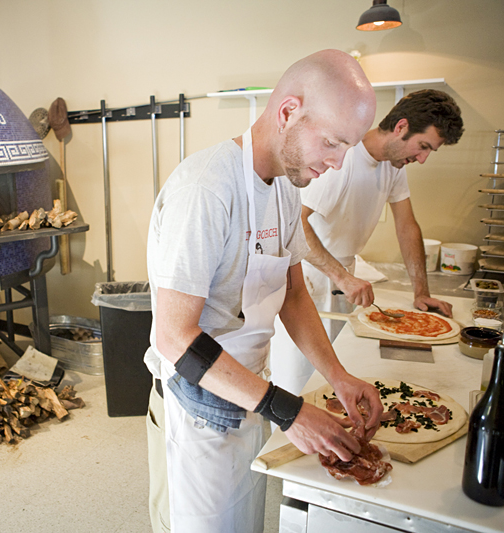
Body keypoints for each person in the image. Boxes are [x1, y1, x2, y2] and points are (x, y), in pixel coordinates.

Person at [144, 49, 383, 533]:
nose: (336, 164)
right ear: (288, 112)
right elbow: (172, 337)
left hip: (250, 392)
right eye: (332, 143)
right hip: (197, 408)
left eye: (346, 149)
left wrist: (337, 376)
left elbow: (292, 291)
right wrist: (288, 410)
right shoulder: (207, 189)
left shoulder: (283, 186)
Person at [270, 89, 465, 396]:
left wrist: (421, 291)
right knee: (300, 383)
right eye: (423, 146)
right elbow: (295, 225)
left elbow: (407, 227)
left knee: (333, 381)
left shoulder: (394, 165)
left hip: (341, 277)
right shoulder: (341, 161)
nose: (423, 159)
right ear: (401, 128)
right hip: (309, 278)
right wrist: (342, 276)